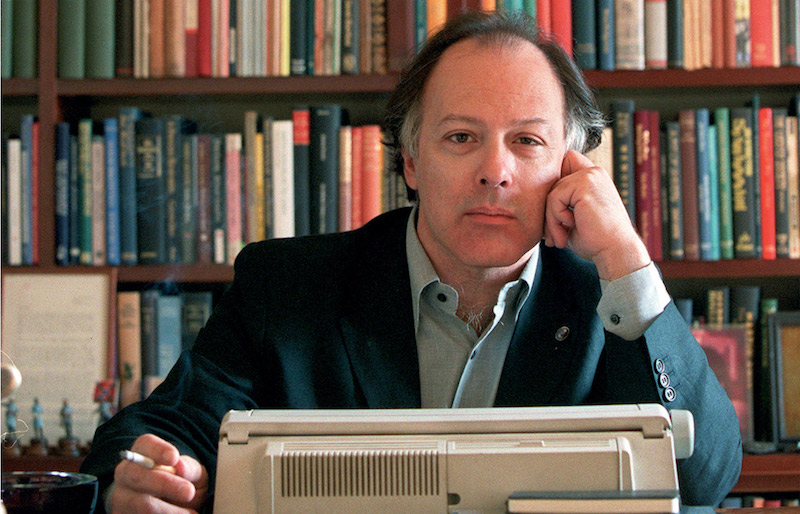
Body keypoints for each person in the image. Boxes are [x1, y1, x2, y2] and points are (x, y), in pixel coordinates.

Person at [81, 10, 741, 513]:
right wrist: (137, 477)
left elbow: (704, 479)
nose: (495, 171)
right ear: (412, 161)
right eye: (462, 137)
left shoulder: (608, 300)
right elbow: (164, 428)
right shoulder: (288, 286)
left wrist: (626, 258)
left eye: (526, 142)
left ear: (571, 167)